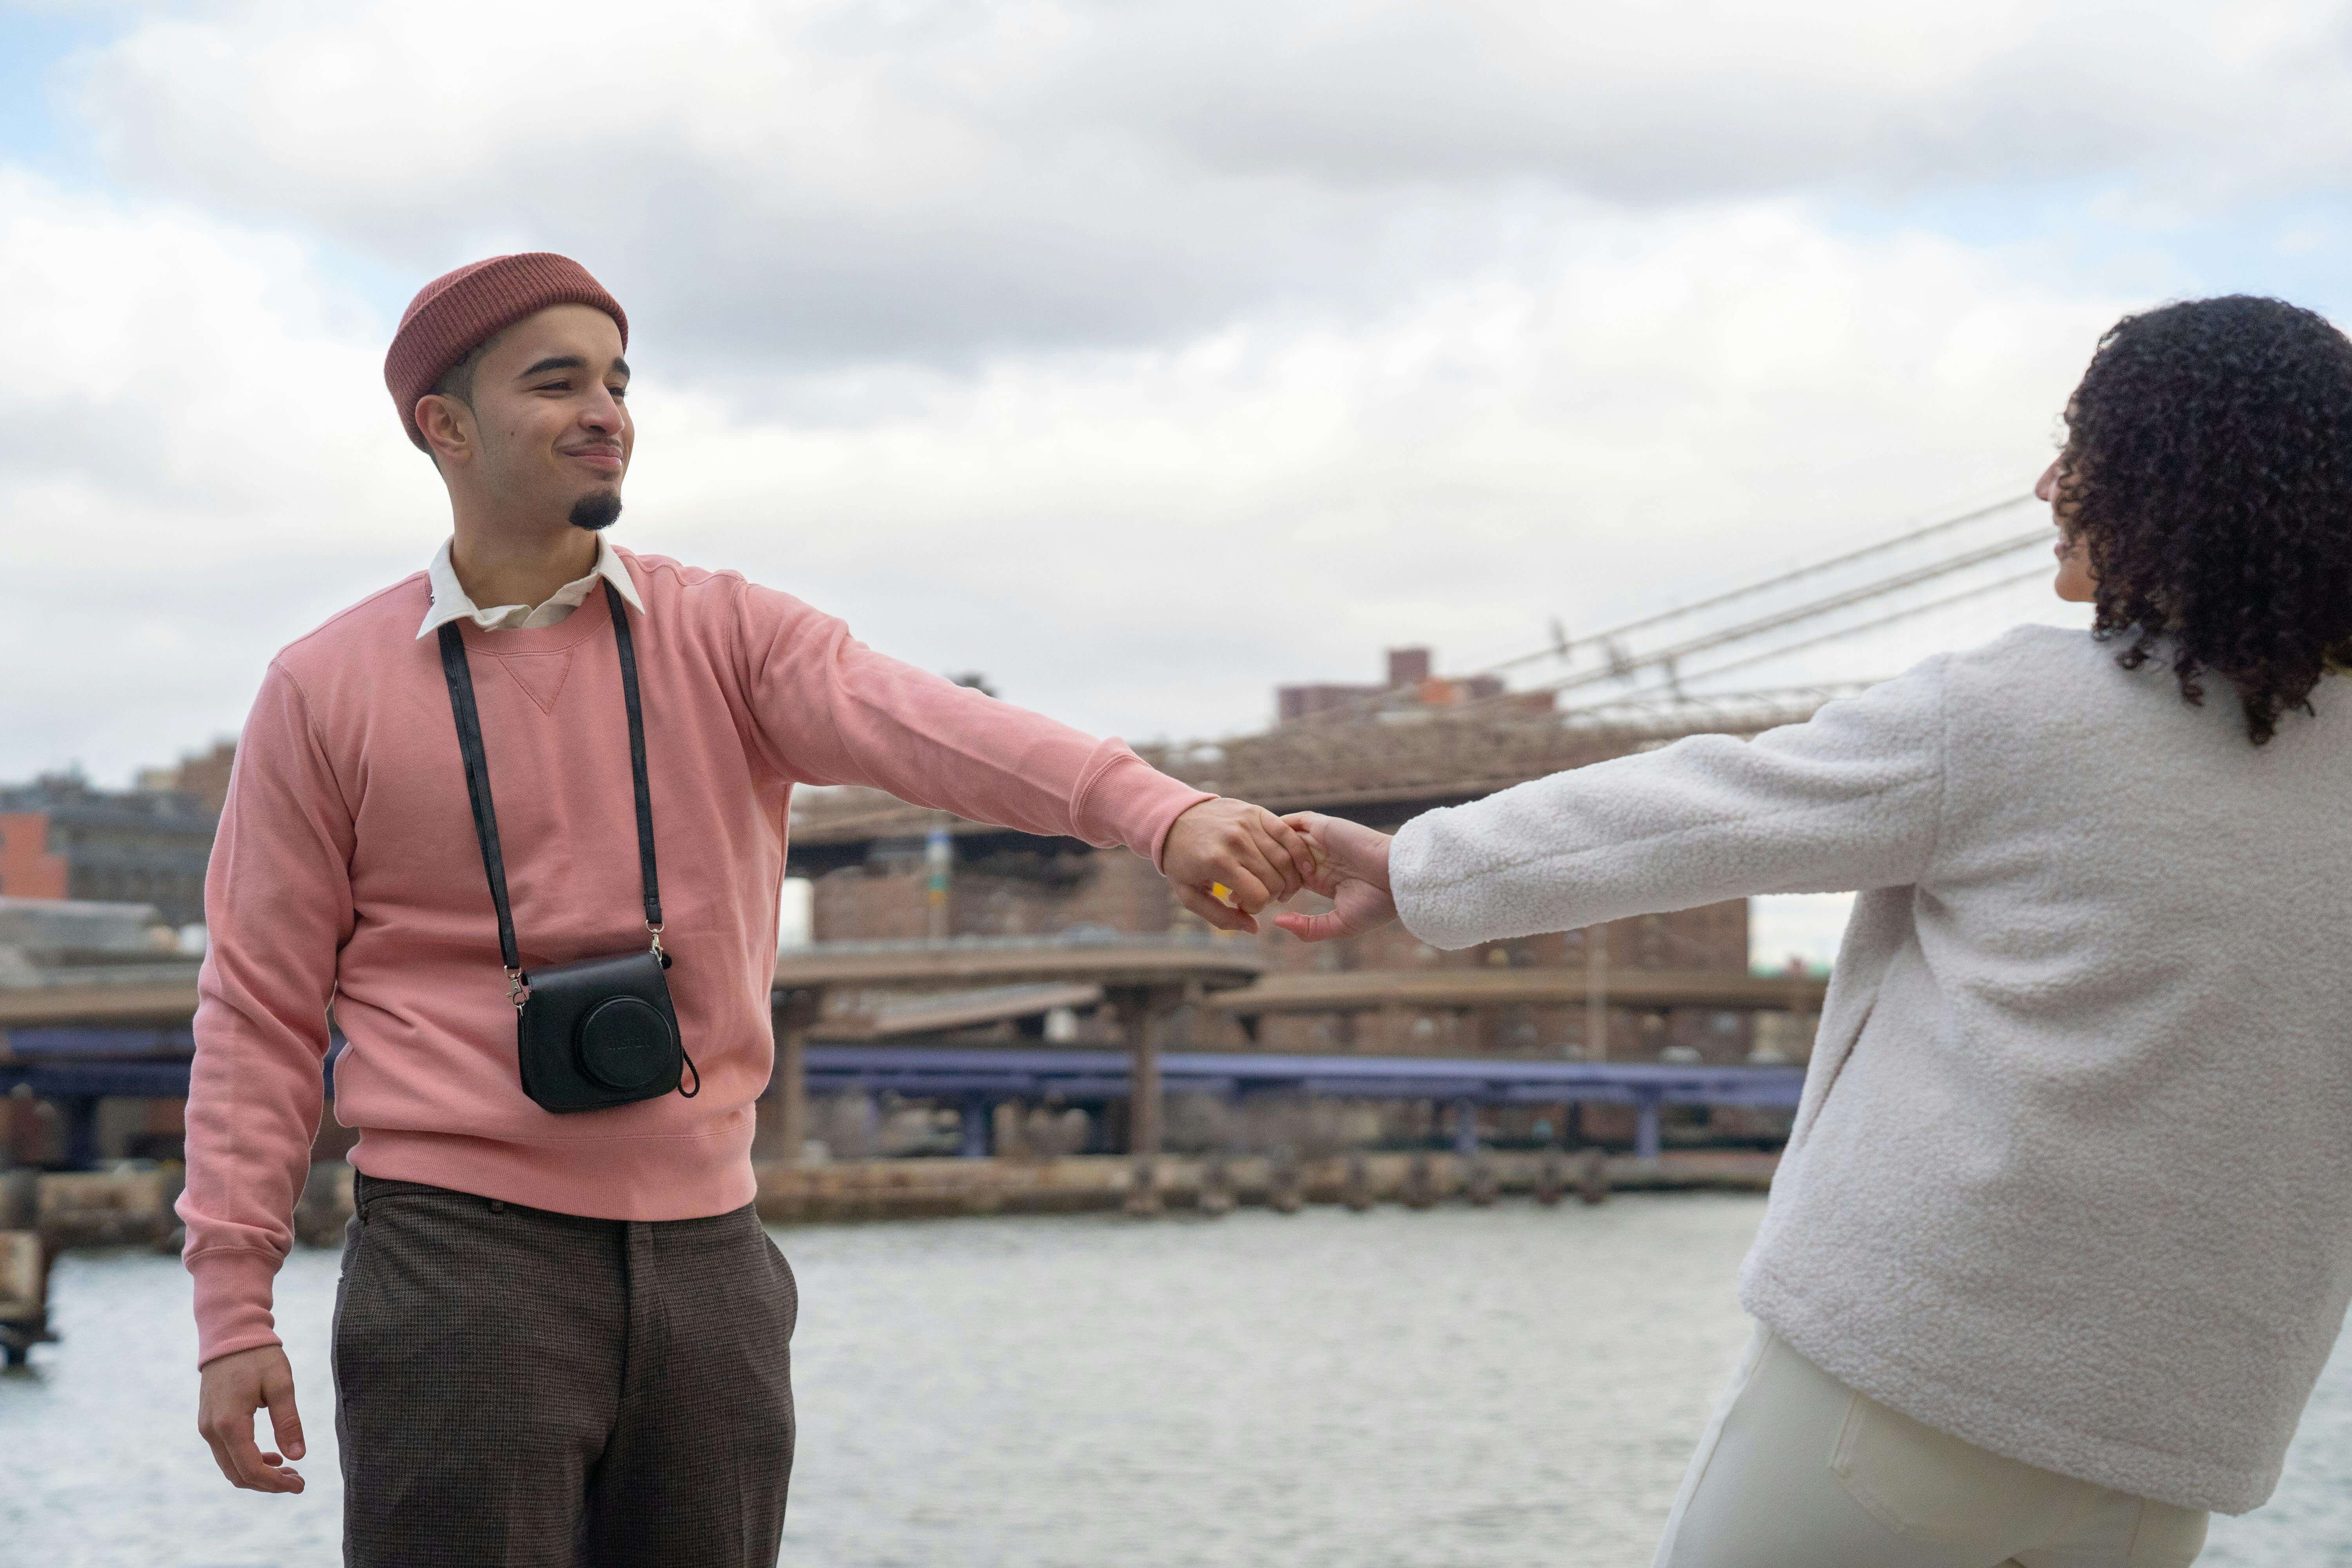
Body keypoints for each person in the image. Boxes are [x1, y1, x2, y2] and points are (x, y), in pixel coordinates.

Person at [182, 252, 1313, 1566]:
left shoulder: (727, 635)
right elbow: (258, 1012)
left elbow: (935, 728)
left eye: (618, 382)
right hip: (456, 1265)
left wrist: (1159, 813)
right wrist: (233, 1310)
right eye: (557, 382)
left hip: (713, 1260)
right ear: (445, 425)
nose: (606, 411)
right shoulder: (325, 689)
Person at [1278, 294, 2352, 1568]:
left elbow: (1703, 811)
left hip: (1910, 1378)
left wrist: (1418, 863)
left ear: (2167, 482)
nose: (2045, 484)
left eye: (2083, 449)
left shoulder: (2011, 715)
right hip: (2173, 1448)